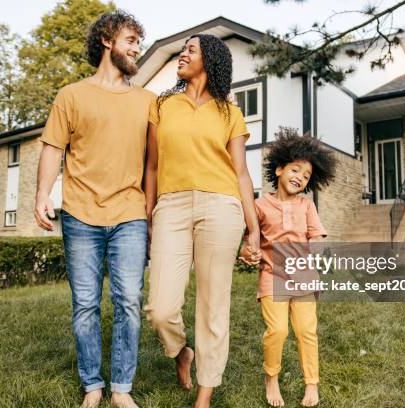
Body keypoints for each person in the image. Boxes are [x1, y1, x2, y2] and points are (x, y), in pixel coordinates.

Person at [34, 10, 154, 408]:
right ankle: (92, 385)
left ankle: (121, 387)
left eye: (139, 41)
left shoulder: (148, 101)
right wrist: (41, 196)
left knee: (129, 301)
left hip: (130, 213)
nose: (137, 48)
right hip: (81, 213)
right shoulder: (72, 95)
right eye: (130, 40)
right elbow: (54, 149)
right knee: (85, 304)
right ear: (106, 40)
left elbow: (156, 159)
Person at [143, 34, 261, 408]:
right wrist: (149, 214)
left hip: (221, 207)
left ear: (209, 60)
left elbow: (241, 173)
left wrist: (253, 228)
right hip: (171, 207)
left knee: (213, 305)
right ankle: (181, 353)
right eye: (183, 49)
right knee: (160, 309)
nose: (182, 54)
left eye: (190, 50)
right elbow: (152, 165)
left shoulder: (229, 113)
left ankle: (205, 394)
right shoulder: (162, 106)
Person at [239, 128, 336, 407]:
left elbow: (316, 235)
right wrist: (249, 251)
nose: (300, 178)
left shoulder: (307, 206)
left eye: (306, 176)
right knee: (278, 331)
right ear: (279, 169)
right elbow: (250, 240)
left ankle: (311, 384)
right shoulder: (259, 205)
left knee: (307, 331)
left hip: (304, 277)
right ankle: (272, 377)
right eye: (295, 170)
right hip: (273, 276)